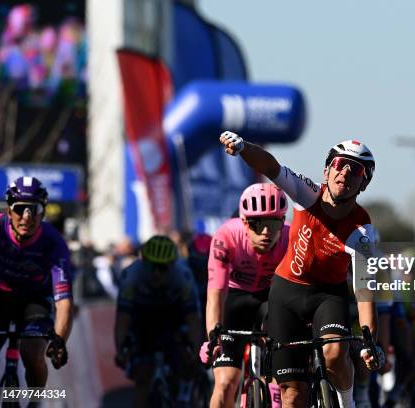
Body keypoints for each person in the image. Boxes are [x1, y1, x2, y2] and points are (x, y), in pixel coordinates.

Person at [219, 131, 384, 408]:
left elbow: (365, 289)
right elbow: (271, 167)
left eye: (354, 170)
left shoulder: (362, 230)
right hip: (286, 293)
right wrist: (244, 147)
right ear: (326, 170)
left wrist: (370, 340)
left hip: (327, 296)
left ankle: (347, 402)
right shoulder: (307, 194)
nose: (344, 172)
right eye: (338, 164)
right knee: (293, 396)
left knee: (334, 353)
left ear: (363, 183)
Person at [200, 182, 289, 408]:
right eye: (257, 224)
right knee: (225, 383)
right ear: (244, 222)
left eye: (273, 223)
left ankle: (274, 390)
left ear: (282, 221)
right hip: (235, 299)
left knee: (282, 372)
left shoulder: (292, 237)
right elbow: (215, 295)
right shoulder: (226, 236)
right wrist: (212, 337)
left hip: (272, 298)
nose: (266, 233)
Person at [0, 176, 72, 386]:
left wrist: (59, 341)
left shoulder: (53, 242)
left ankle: (37, 401)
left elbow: (64, 301)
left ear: (43, 213)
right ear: (9, 211)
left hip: (34, 301)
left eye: (34, 209)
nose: (27, 217)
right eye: (20, 209)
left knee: (33, 354)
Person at [114, 235, 201, 408]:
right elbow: (123, 319)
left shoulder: (183, 276)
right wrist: (121, 350)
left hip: (173, 317)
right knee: (142, 378)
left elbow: (193, 319)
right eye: (152, 266)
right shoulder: (131, 275)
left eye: (162, 268)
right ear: (143, 261)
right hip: (142, 319)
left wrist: (194, 350)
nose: (156, 273)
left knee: (185, 361)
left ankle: (183, 397)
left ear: (172, 265)